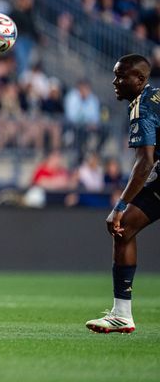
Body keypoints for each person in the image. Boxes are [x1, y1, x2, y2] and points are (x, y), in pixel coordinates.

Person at [85, 53, 158, 334]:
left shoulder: (143, 107)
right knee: (125, 229)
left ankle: (122, 314)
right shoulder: (155, 98)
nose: (115, 81)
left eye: (121, 76)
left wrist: (120, 204)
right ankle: (121, 314)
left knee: (122, 222)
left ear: (139, 80)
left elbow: (144, 162)